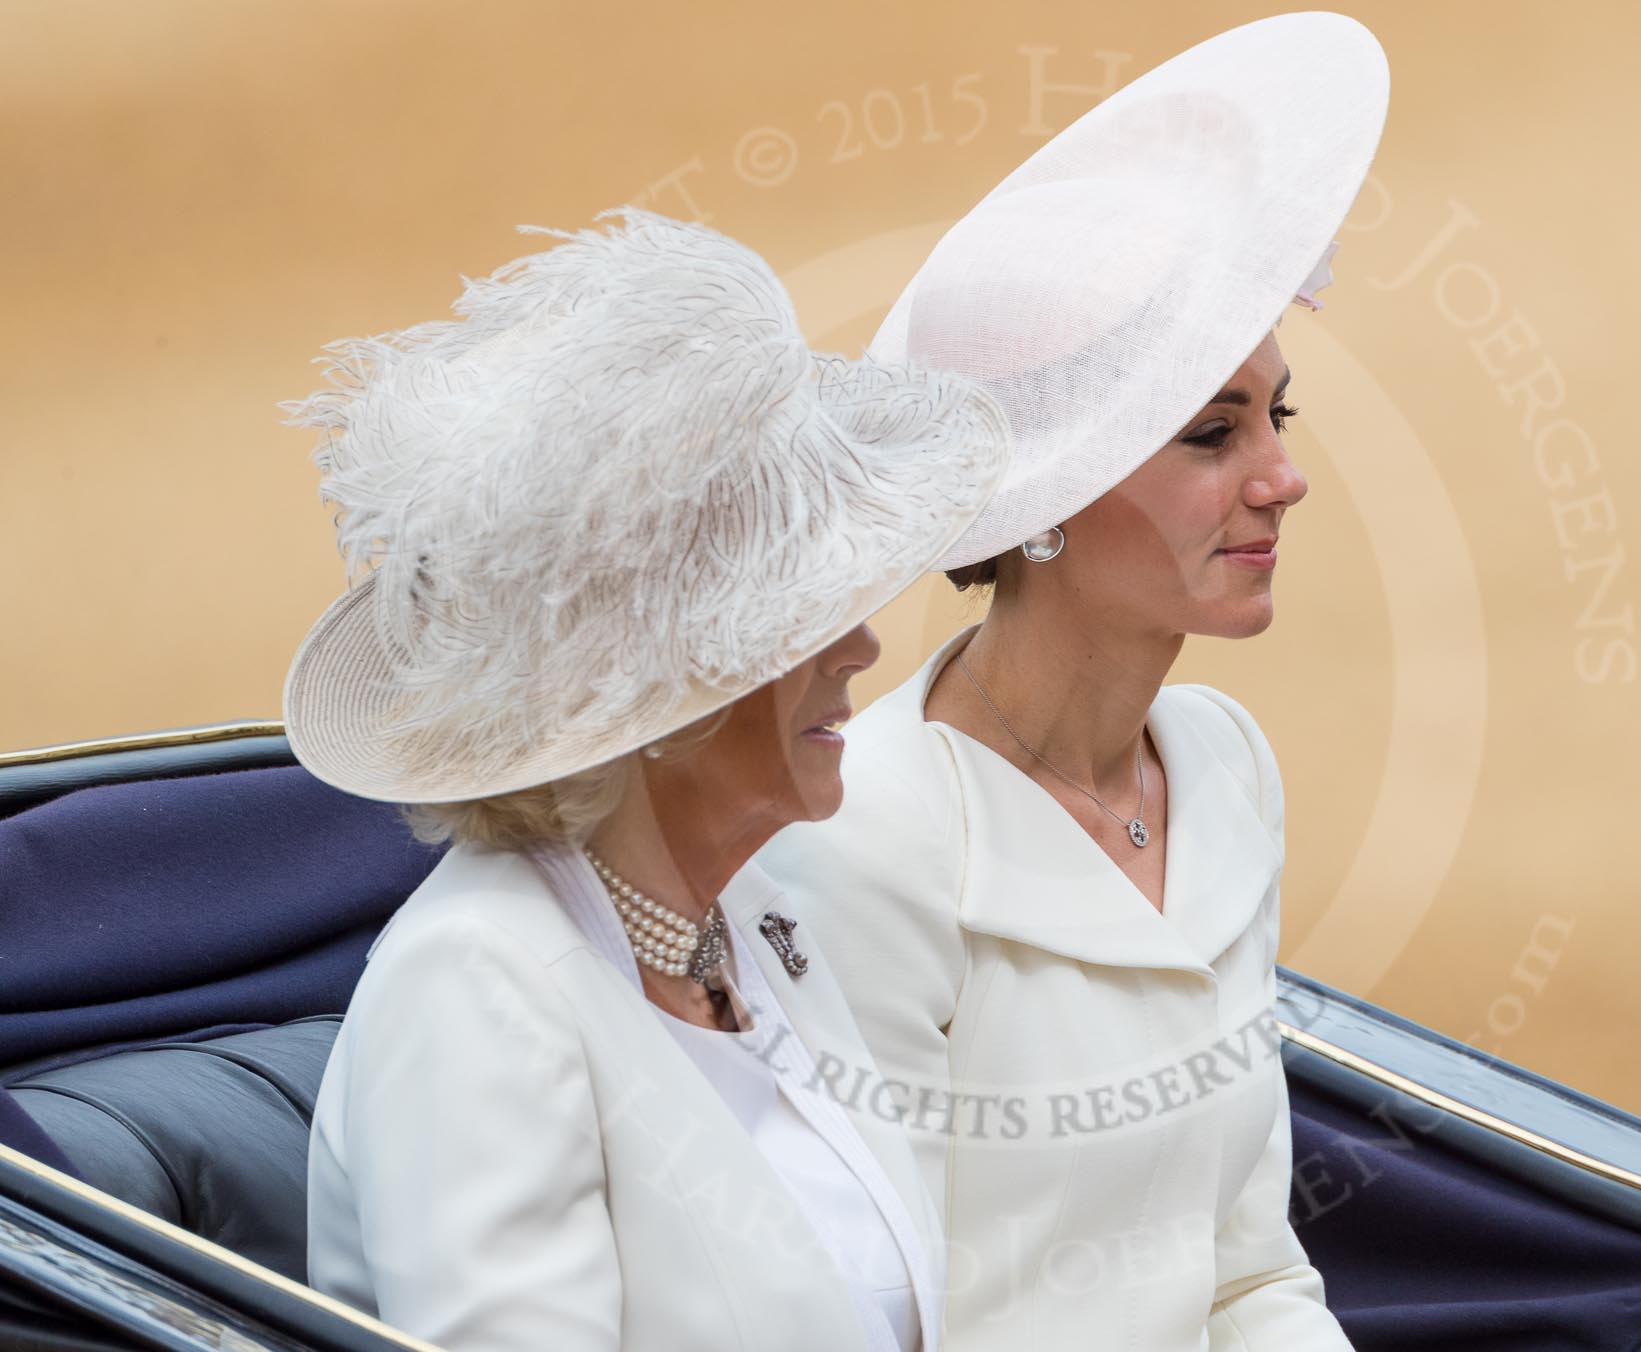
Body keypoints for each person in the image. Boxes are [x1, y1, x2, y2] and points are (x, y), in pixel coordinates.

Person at [756, 14, 1388, 1350]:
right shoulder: (861, 838)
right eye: (1211, 433)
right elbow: (884, 1321)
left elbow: (1247, 1276)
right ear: (1046, 493)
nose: (1283, 477)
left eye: (1276, 417)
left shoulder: (1224, 766)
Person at [284, 207, 1010, 1351]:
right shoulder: (475, 989)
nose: (862, 644)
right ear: (657, 698)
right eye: (799, 618)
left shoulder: (758, 920)